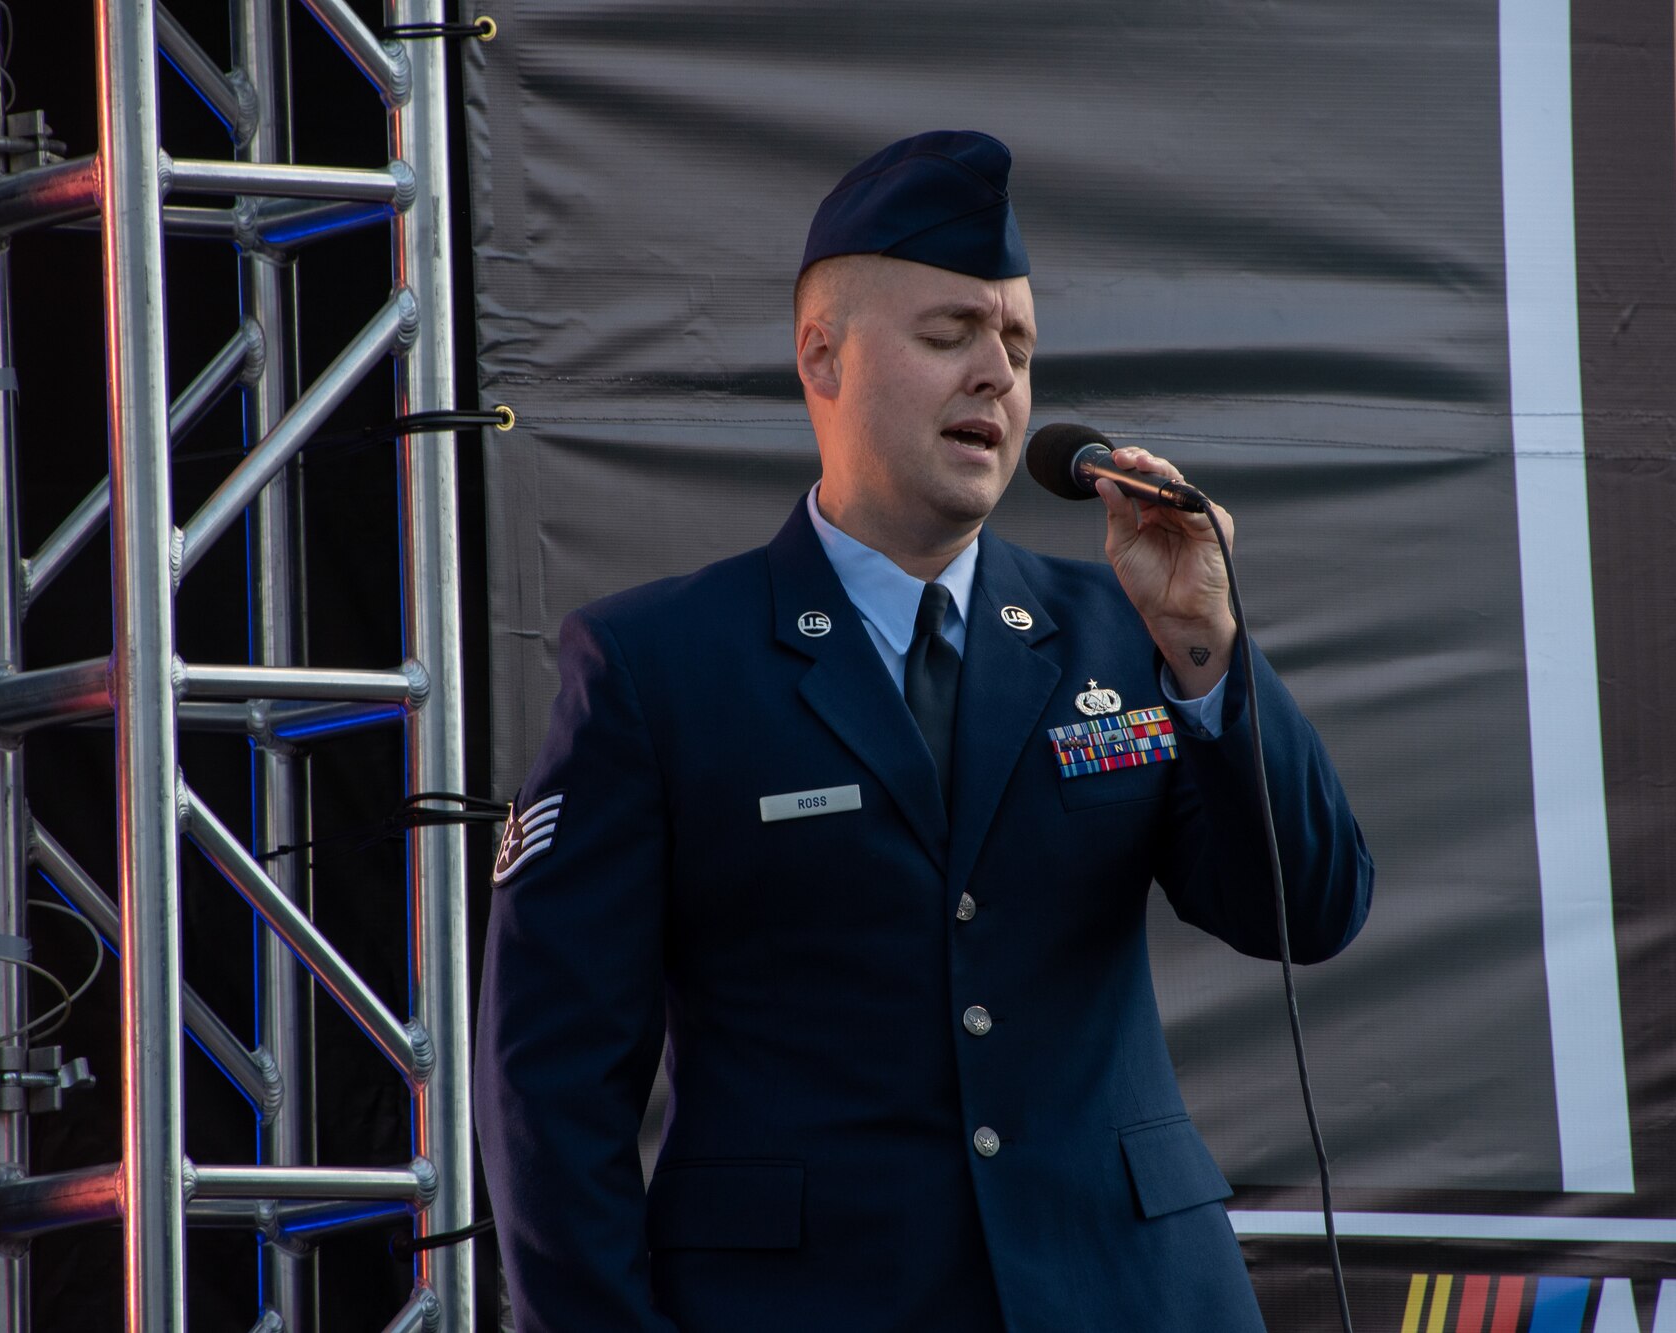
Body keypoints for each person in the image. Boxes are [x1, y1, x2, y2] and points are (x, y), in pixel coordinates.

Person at [475, 130, 1373, 1333]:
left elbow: (1304, 908)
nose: (995, 376)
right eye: (948, 335)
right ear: (821, 355)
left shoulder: (1122, 632)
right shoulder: (657, 665)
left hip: (1129, 1296)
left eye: (1016, 344)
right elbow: (551, 1084)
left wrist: (1209, 654)